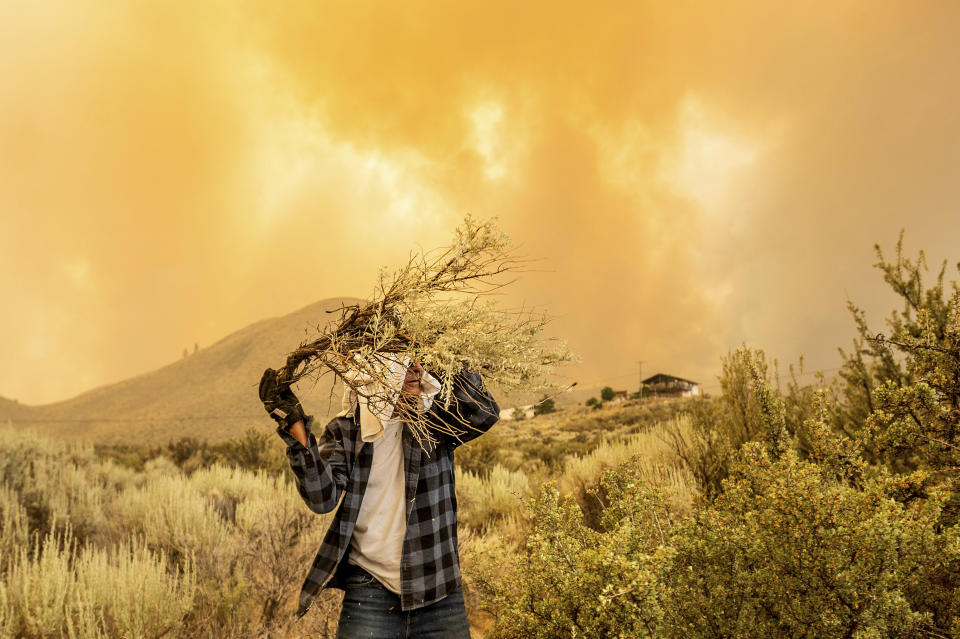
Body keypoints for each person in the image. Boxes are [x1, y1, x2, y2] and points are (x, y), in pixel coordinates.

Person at [258, 358, 499, 638]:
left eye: (420, 363)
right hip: (370, 593)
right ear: (378, 371)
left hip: (439, 591)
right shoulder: (347, 429)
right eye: (405, 364)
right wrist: (294, 424)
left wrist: (451, 357)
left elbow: (484, 415)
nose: (417, 370)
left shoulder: (436, 421)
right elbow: (321, 498)